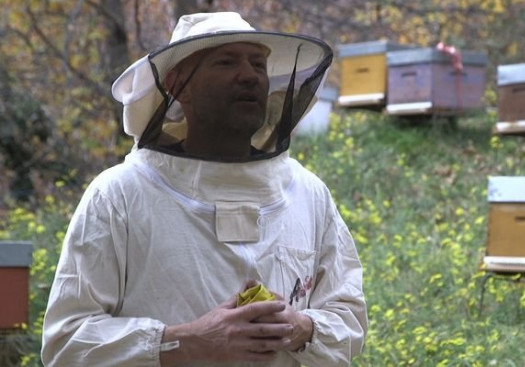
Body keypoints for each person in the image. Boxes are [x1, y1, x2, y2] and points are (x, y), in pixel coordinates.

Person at [41, 12, 368, 367]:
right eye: (226, 62)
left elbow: (347, 318)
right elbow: (66, 342)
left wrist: (301, 328)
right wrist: (185, 342)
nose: (249, 75)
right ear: (179, 85)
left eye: (258, 64)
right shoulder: (120, 195)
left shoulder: (308, 194)